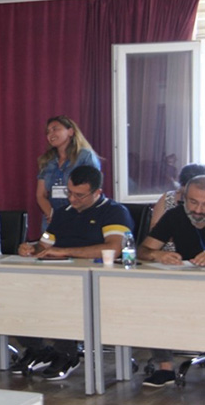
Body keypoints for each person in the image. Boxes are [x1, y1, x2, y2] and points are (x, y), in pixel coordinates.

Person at [16, 166, 133, 380]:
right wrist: (31, 248)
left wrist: (65, 251)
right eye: (69, 192)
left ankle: (67, 354)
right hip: (59, 276)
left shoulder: (114, 212)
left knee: (63, 297)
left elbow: (113, 248)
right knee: (16, 294)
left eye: (79, 195)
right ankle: (38, 349)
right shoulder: (63, 213)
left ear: (97, 193)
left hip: (98, 280)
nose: (72, 199)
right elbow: (44, 244)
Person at [138, 173, 205, 387]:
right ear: (183, 198)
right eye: (193, 202)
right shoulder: (175, 215)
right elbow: (142, 250)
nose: (198, 210)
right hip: (186, 284)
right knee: (154, 302)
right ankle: (165, 367)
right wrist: (157, 254)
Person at [36, 116, 101, 230]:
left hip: (80, 216)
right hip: (52, 219)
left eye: (55, 129)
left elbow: (91, 191)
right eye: (48, 132)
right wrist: (52, 215)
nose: (51, 134)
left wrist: (70, 216)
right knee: (46, 242)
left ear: (70, 131)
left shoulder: (85, 156)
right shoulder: (47, 160)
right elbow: (40, 195)